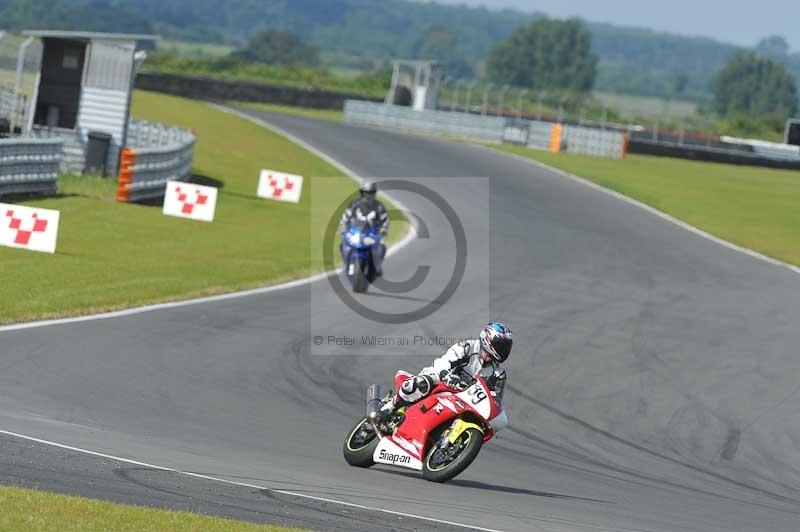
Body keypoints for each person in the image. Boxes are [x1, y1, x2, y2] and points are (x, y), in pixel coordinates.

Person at [378, 322, 512, 420]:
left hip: (463, 399)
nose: (501, 350)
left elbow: (495, 400)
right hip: (442, 381)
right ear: (487, 340)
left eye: (504, 348)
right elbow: (444, 361)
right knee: (421, 384)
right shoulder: (467, 347)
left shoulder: (498, 374)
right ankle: (391, 405)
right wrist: (446, 375)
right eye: (499, 346)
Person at [339, 181, 389, 274]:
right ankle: (346, 264)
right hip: (356, 231)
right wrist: (343, 225)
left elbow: (385, 221)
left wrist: (383, 229)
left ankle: (377, 267)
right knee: (343, 245)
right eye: (366, 192)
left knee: (382, 246)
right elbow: (346, 216)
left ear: (374, 193)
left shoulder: (379, 206)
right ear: (362, 192)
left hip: (372, 234)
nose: (368, 195)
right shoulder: (354, 203)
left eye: (371, 192)